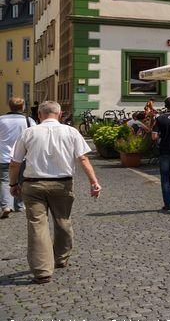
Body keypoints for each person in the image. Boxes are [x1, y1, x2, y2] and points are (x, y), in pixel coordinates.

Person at [7, 101, 100, 283]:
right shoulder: (71, 132)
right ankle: (60, 258)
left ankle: (42, 271)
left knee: (37, 226)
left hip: (33, 185)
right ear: (60, 114)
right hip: (62, 184)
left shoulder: (29, 133)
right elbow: (83, 158)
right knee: (63, 221)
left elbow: (15, 163)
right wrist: (94, 182)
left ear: (40, 115)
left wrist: (12, 184)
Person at [1, 97, 35, 218]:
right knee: (21, 181)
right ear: (23, 107)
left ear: (9, 106)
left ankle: (6, 205)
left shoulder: (1, 120)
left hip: (3, 156)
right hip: (23, 157)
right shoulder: (29, 121)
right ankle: (19, 206)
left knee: (5, 181)